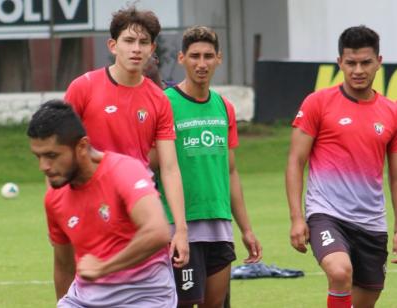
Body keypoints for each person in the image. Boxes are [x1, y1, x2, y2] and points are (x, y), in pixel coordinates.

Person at [64, 6, 189, 267]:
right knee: (86, 281)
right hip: (90, 205)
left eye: (144, 42)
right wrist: (60, 209)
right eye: (129, 41)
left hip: (140, 205)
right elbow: (62, 155)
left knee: (145, 285)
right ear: (113, 45)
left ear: (152, 49)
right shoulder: (83, 88)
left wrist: (180, 229)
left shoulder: (160, 100)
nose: (136, 49)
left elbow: (169, 168)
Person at [286, 25, 397, 308]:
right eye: (351, 63)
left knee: (364, 300)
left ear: (378, 62)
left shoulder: (391, 111)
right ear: (340, 63)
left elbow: (395, 176)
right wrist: (297, 217)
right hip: (327, 214)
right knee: (339, 271)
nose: (358, 70)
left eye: (365, 62)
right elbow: (296, 162)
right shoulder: (317, 103)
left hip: (372, 222)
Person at [27, 100, 177, 307]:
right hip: (85, 299)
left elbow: (158, 232)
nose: (43, 166)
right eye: (38, 157)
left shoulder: (124, 171)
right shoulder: (54, 198)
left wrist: (104, 267)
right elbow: (64, 266)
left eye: (52, 156)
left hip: (145, 296)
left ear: (81, 146)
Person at [155, 26, 262, 308]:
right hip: (180, 226)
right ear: (181, 58)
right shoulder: (165, 103)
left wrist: (246, 229)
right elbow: (155, 164)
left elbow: (230, 171)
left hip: (219, 226)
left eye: (208, 56)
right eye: (194, 56)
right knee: (181, 303)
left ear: (219, 59)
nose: (201, 64)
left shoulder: (223, 107)